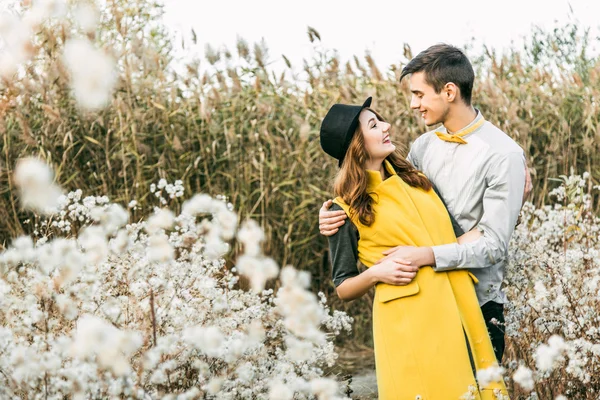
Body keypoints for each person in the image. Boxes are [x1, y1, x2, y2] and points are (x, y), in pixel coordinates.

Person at [319, 44, 531, 363]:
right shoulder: (422, 147)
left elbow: (493, 245)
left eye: (419, 94)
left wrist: (426, 256)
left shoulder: (504, 155)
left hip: (477, 303)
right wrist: (333, 215)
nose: (413, 104)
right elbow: (387, 200)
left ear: (448, 91)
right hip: (424, 305)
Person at [320, 96, 507, 399]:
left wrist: (513, 184)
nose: (386, 125)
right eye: (374, 124)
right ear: (357, 143)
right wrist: (377, 273)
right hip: (408, 322)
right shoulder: (341, 211)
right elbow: (343, 287)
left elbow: (463, 228)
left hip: (458, 305)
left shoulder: (416, 179)